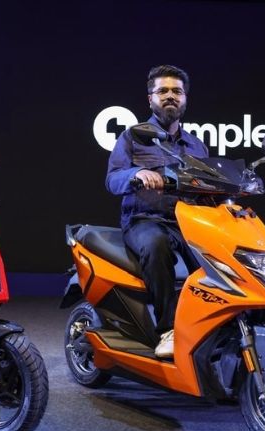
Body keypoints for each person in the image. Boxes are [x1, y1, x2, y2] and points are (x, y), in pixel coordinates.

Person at [106, 64, 208, 358]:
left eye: (177, 91)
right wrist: (136, 173)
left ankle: (211, 326)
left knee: (217, 258)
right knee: (156, 245)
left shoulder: (197, 146)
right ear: (150, 98)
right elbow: (112, 179)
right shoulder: (132, 137)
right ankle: (168, 329)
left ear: (185, 98)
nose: (170, 96)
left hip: (187, 223)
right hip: (144, 220)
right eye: (162, 91)